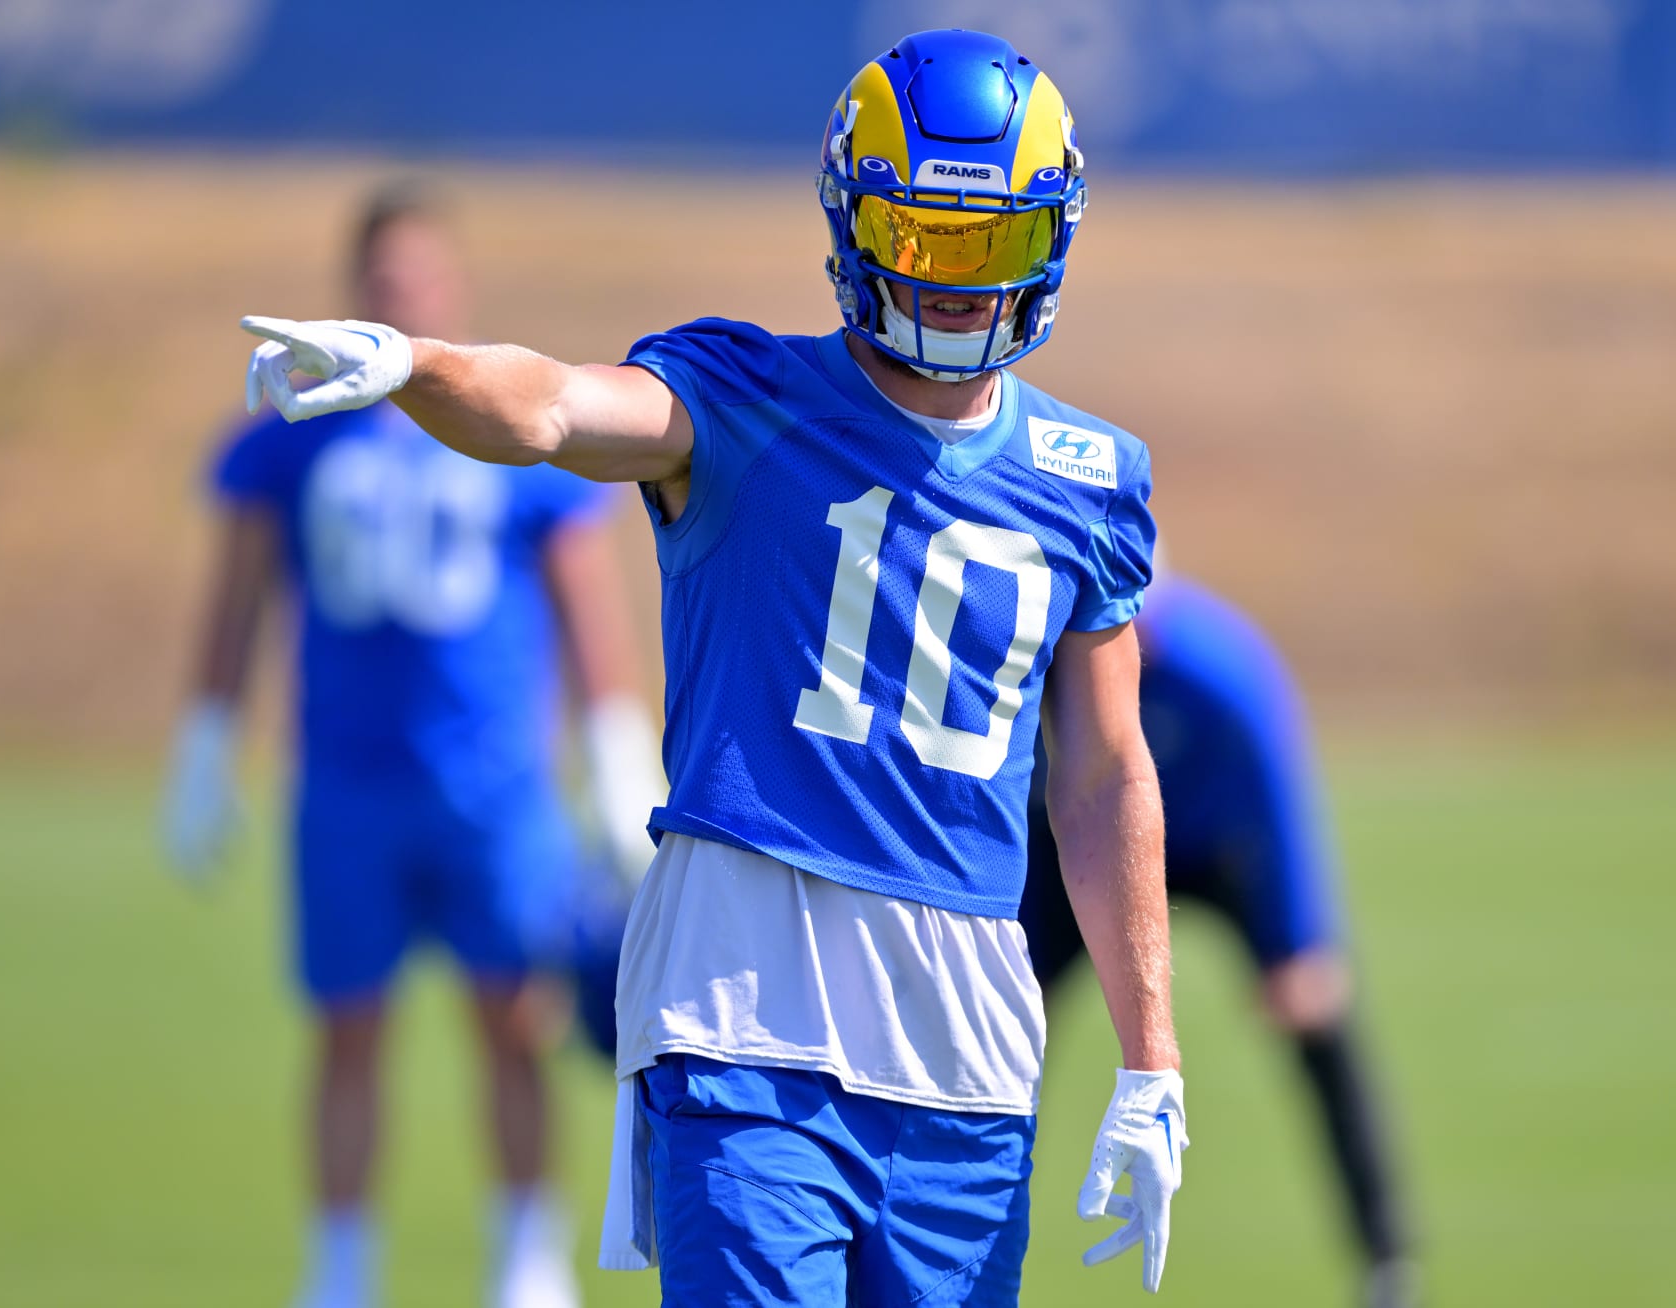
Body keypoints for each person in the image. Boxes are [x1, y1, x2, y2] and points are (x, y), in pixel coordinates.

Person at [237, 29, 1187, 1305]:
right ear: (855, 224)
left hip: (962, 1038)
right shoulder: (744, 392)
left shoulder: (1092, 478)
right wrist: (422, 366)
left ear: (1054, 237)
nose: (959, 285)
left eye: (995, 242)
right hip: (747, 999)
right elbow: (560, 408)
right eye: (923, 239)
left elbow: (1107, 775)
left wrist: (1152, 1058)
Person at [163, 184, 662, 1308]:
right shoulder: (290, 436)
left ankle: (527, 1256)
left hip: (495, 783)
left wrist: (618, 750)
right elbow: (238, 597)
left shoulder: (499, 420)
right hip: (347, 782)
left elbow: (584, 596)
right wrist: (206, 742)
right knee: (347, 1028)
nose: (404, 296)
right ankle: (340, 1268)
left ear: (453, 290)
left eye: (422, 279)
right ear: (354, 295)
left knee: (514, 1021)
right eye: (384, 281)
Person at [1021, 570, 1414, 1307]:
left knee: (1317, 1019)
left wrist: (1301, 939)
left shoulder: (1218, 667)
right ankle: (955, 1228)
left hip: (1221, 846)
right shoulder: (1046, 653)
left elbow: (1278, 792)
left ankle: (1387, 1258)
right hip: (1090, 842)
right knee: (1002, 1027)